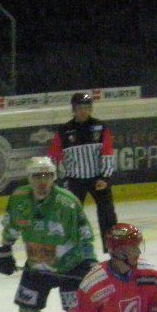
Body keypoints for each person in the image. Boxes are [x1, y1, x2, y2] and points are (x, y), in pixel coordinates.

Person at [0, 156, 96, 312]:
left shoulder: (67, 203)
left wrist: (90, 263)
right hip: (37, 267)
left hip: (70, 267)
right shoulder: (19, 199)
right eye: (37, 176)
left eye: (47, 176)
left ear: (54, 177)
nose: (43, 181)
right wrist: (5, 249)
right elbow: (12, 226)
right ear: (29, 178)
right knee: (27, 311)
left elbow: (85, 234)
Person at [48, 92, 118, 250]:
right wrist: (54, 180)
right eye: (80, 107)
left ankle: (113, 247)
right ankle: (69, 247)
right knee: (69, 214)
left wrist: (105, 178)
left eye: (86, 107)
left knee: (107, 213)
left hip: (98, 179)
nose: (83, 111)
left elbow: (107, 153)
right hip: (74, 180)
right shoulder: (64, 131)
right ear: (73, 109)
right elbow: (54, 156)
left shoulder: (100, 127)